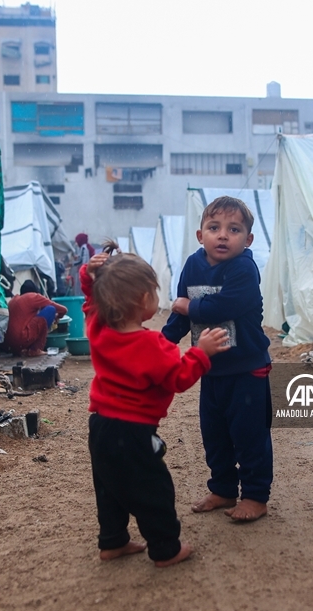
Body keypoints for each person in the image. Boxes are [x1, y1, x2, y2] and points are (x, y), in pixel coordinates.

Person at [81, 242, 229, 567]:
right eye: (153, 291)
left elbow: (91, 303)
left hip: (101, 426)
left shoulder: (99, 330)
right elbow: (178, 378)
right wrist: (201, 352)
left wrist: (90, 275)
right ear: (142, 301)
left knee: (109, 486)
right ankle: (165, 548)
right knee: (153, 490)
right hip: (133, 432)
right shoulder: (152, 345)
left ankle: (112, 541)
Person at [162, 196, 273, 522]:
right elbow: (180, 317)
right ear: (201, 235)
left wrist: (187, 306)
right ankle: (223, 489)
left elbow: (222, 307)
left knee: (250, 436)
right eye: (214, 227)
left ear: (248, 239)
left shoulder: (244, 269)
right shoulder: (193, 265)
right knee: (215, 434)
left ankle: (255, 495)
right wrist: (162, 342)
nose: (223, 235)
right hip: (210, 368)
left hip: (247, 368)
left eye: (234, 229)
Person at [0, 280, 68, 356]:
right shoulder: (33, 297)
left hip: (9, 344)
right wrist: (58, 317)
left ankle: (25, 349)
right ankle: (35, 349)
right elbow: (63, 309)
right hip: (21, 338)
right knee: (51, 309)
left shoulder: (14, 299)